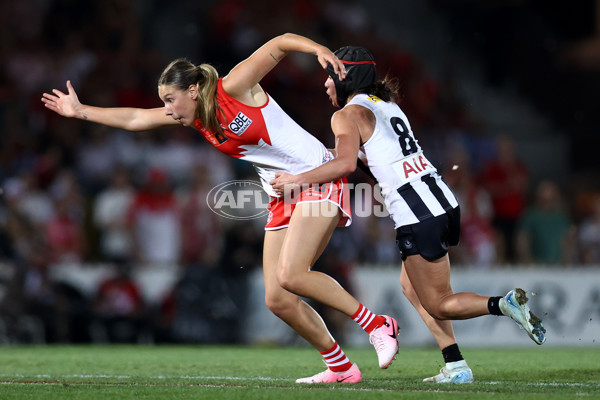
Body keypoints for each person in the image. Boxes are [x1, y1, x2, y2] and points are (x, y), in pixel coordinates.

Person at [41, 33, 399, 383]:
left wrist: (317, 49)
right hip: (283, 195)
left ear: (193, 90)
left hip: (317, 178)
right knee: (278, 299)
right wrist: (81, 111)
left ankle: (378, 324)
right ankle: (341, 367)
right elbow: (136, 119)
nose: (166, 109)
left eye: (170, 99)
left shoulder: (234, 87)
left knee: (291, 274)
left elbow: (280, 42)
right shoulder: (196, 116)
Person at [271, 45, 547, 384]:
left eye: (329, 76)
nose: (326, 84)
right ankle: (456, 365)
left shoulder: (345, 116)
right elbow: (367, 158)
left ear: (346, 77)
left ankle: (502, 304)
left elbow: (344, 163)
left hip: (417, 214)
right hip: (442, 201)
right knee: (412, 288)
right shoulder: (386, 105)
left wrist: (296, 180)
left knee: (440, 303)